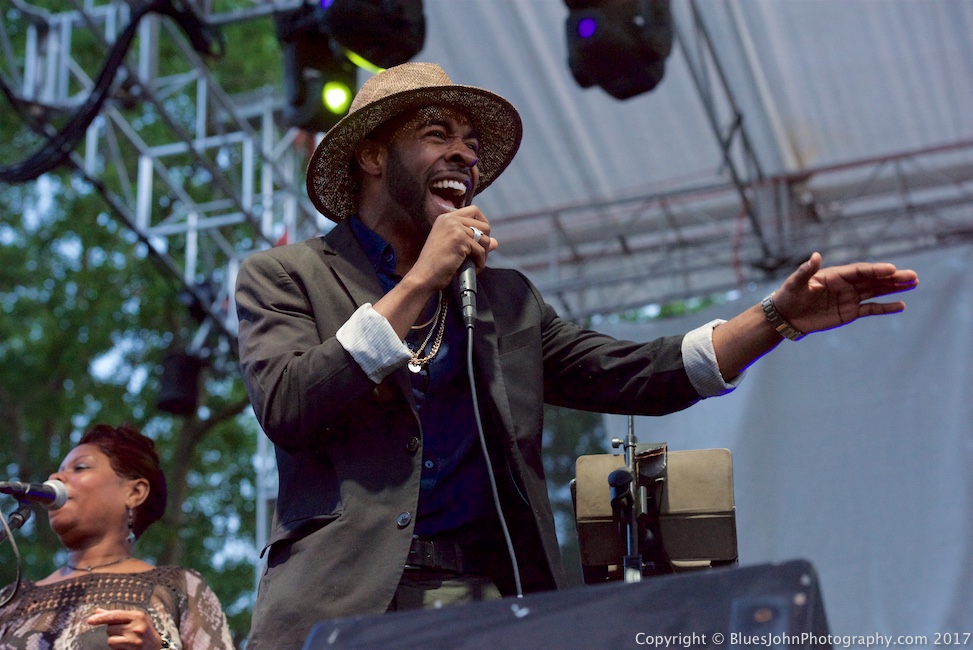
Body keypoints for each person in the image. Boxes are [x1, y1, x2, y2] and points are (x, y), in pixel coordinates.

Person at [234, 62, 918, 649]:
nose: (465, 157)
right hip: (343, 609)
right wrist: (419, 281)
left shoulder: (504, 300)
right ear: (371, 157)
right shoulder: (285, 276)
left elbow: (640, 374)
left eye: (471, 145)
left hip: (490, 606)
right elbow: (289, 404)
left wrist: (775, 318)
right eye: (436, 134)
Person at [0, 424, 235, 649]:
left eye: (80, 467)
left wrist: (160, 647)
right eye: (58, 471)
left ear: (134, 492)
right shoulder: (11, 600)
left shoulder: (179, 587)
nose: (55, 477)